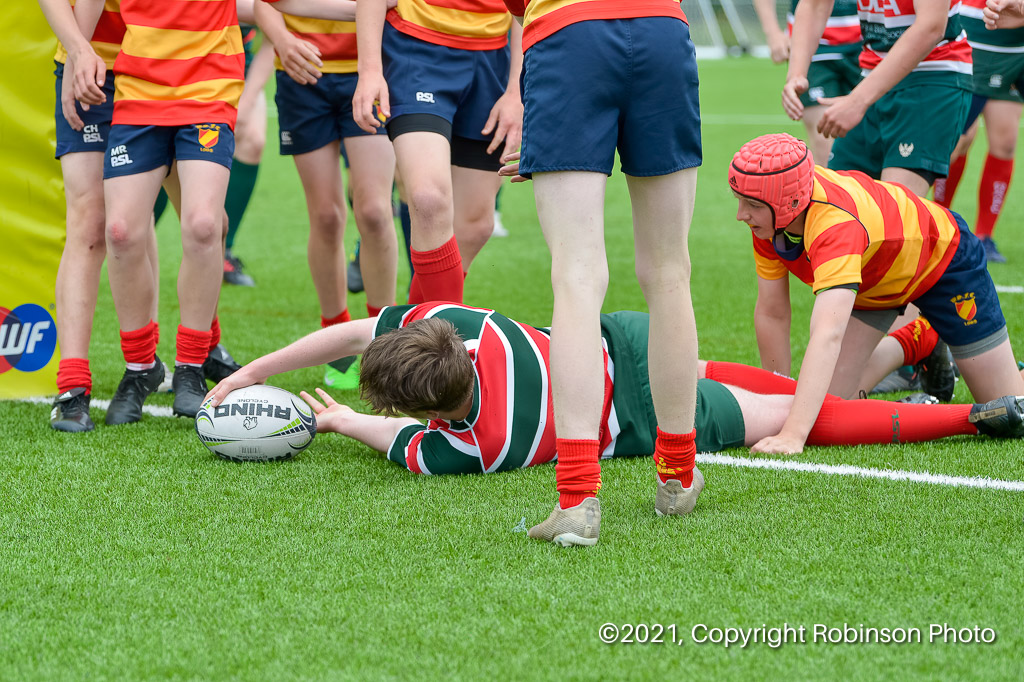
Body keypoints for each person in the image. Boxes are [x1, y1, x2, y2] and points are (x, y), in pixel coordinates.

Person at [206, 303, 1024, 494]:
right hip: (626, 342)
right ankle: (916, 341)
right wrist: (249, 371)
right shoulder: (464, 323)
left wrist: (343, 419)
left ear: (427, 412)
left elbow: (391, 439)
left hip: (634, 418)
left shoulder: (475, 447)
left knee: (791, 419)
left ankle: (966, 417)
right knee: (792, 391)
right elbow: (351, 333)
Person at [496, 1, 701, 547]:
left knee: (577, 277)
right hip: (661, 29)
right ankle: (678, 476)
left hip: (568, 34)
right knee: (670, 272)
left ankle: (577, 499)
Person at [730, 133, 1024, 454]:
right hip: (873, 279)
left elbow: (828, 333)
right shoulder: (772, 218)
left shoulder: (833, 225)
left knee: (1009, 406)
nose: (740, 214)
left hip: (944, 260)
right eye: (740, 200)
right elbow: (773, 311)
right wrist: (776, 396)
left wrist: (793, 434)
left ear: (792, 202)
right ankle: (919, 340)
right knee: (829, 409)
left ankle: (937, 343)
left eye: (752, 205)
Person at [70, 0, 245, 422]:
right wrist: (76, 55)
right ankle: (140, 368)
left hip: (208, 93)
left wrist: (363, 11)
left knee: (204, 225)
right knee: (121, 232)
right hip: (139, 95)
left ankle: (191, 366)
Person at [256, 0, 399, 389]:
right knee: (326, 217)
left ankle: (383, 340)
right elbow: (264, 3)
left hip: (369, 72)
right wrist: (282, 40)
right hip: (303, 76)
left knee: (374, 212)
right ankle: (336, 343)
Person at [38, 0, 161, 432]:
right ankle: (72, 386)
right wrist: (77, 50)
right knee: (90, 224)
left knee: (195, 221)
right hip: (90, 68)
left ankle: (184, 357)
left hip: (161, 68)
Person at [351, 0, 522, 305]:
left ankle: (411, 327)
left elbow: (528, 7)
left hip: (493, 59)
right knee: (428, 199)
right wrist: (370, 70)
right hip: (417, 51)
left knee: (475, 226)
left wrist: (516, 91)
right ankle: (441, 335)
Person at [784, 0, 972, 198]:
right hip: (873, 76)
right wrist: (797, 74)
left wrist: (857, 101)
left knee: (894, 207)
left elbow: (931, 27)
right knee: (838, 204)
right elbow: (815, 5)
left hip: (931, 78)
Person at [932, 0, 1024, 264]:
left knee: (1005, 143)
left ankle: (985, 235)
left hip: (1014, 53)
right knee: (958, 142)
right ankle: (939, 223)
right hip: (971, 42)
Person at [754, 0, 862, 163]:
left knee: (872, 140)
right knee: (825, 141)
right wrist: (772, 33)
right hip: (812, 44)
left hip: (868, 43)